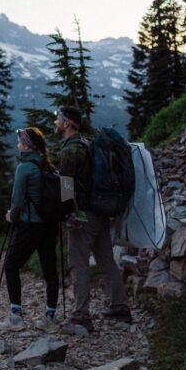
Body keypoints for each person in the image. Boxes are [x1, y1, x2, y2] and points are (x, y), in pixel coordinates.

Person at [56, 105, 132, 332]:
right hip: (101, 211)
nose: (55, 123)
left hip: (83, 215)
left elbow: (66, 186)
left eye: (57, 118)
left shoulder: (70, 150)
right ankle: (119, 307)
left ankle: (81, 315)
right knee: (106, 260)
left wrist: (67, 214)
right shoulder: (88, 144)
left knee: (78, 262)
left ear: (67, 123)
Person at [0, 127, 60, 331]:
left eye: (20, 142)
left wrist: (11, 216)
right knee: (50, 271)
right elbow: (65, 193)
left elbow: (16, 202)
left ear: (27, 146)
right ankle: (50, 315)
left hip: (30, 225)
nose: (17, 145)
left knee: (11, 265)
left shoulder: (24, 168)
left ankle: (16, 316)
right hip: (50, 225)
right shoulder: (49, 167)